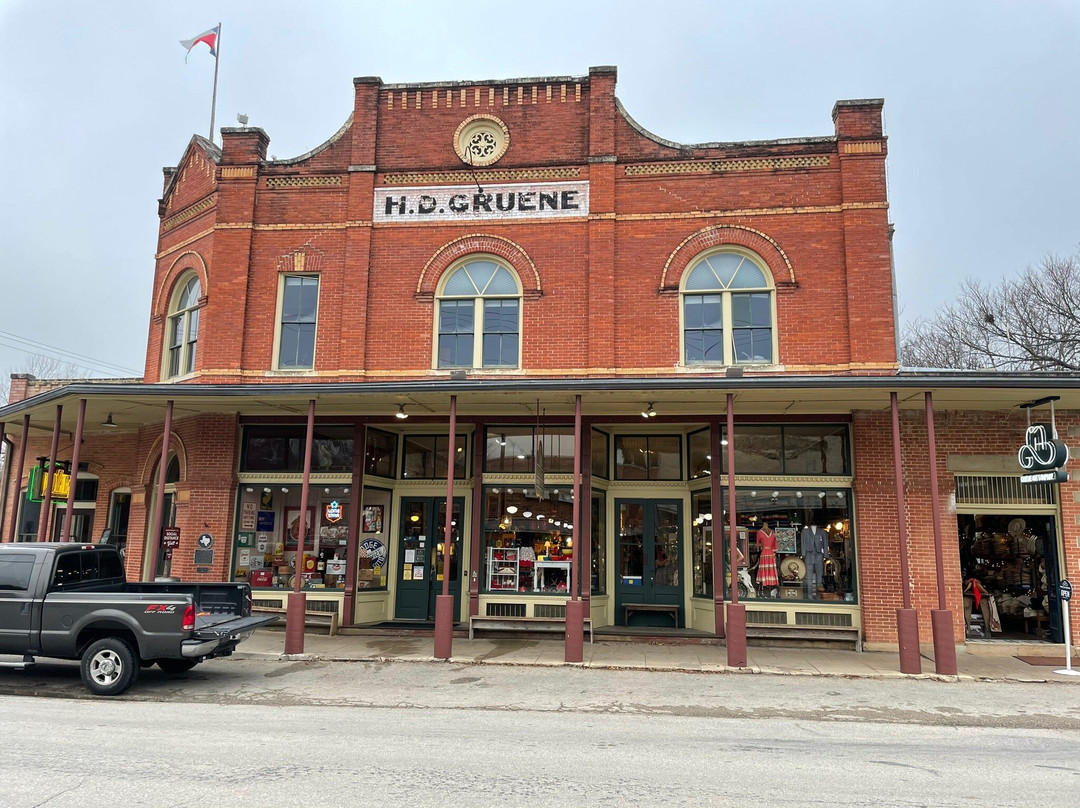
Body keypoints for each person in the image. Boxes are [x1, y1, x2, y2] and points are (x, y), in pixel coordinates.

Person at [963, 570, 994, 637]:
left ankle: (969, 630)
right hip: (977, 597)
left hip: (976, 597)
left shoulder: (964, 588)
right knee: (985, 612)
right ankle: (986, 631)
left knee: (985, 612)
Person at [755, 522, 779, 593]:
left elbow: (757, 543)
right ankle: (767, 584)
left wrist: (758, 548)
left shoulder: (761, 532)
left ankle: (767, 585)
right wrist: (774, 551)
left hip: (766, 552)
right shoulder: (763, 532)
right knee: (769, 569)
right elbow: (775, 544)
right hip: (770, 553)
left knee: (765, 569)